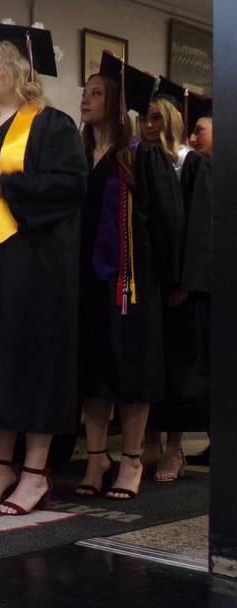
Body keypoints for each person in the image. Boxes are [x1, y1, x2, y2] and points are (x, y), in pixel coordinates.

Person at [0, 24, 87, 516]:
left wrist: (9, 183)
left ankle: (35, 473)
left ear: (21, 71)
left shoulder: (53, 126)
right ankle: (0, 465)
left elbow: (70, 187)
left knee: (30, 365)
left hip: (33, 271)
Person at [76, 53, 182, 500]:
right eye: (85, 91)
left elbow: (168, 222)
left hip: (131, 284)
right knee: (93, 371)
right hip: (87, 284)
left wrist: (174, 280)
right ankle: (97, 456)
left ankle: (133, 459)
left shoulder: (142, 157)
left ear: (117, 102)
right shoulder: (78, 155)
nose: (86, 98)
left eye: (96, 92)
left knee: (132, 371)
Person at [139, 84, 213, 481]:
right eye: (144, 117)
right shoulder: (136, 158)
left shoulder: (191, 164)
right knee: (149, 365)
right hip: (145, 284)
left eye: (156, 118)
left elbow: (200, 227)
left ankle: (174, 448)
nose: (149, 125)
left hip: (179, 288)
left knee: (179, 370)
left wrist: (183, 281)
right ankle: (148, 444)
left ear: (170, 121)